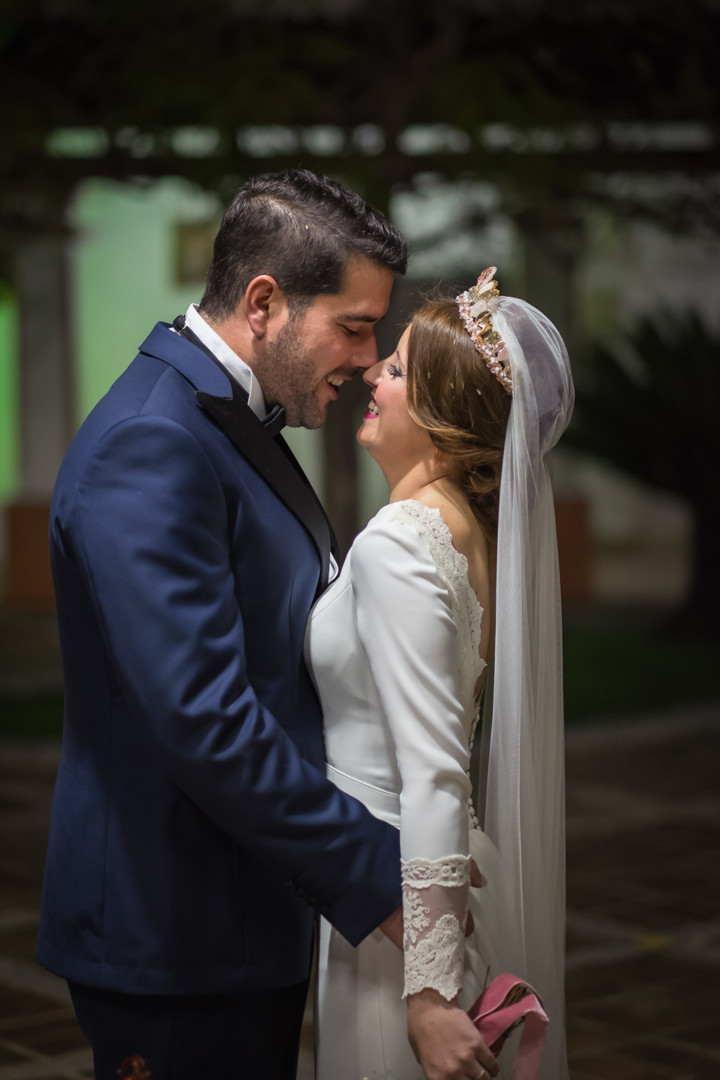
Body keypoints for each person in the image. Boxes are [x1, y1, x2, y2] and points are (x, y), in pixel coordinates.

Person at [35, 168, 410, 1080]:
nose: (367, 359)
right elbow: (203, 718)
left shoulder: (226, 415)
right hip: (172, 928)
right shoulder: (151, 442)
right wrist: (375, 869)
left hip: (238, 906)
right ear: (264, 302)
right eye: (353, 327)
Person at [305, 268, 574, 1080]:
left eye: (394, 369)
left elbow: (431, 776)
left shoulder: (400, 542)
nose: (370, 378)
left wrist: (428, 994)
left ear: (438, 415)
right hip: (431, 876)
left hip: (400, 904)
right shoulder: (475, 538)